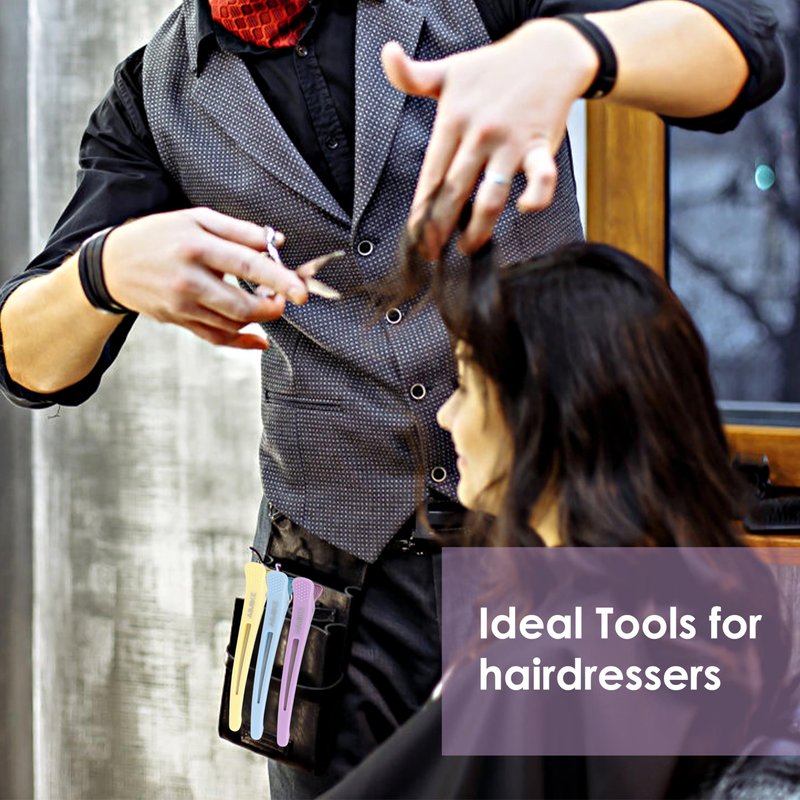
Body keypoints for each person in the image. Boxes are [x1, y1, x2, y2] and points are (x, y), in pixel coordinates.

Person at [0, 1, 786, 796]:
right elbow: (29, 363)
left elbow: (744, 50)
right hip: (324, 586)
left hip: (543, 557)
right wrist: (101, 271)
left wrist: (576, 47)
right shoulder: (153, 98)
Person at [322, 239, 800, 799]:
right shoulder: (722, 596)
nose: (447, 416)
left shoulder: (544, 668)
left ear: (548, 418)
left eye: (467, 387)